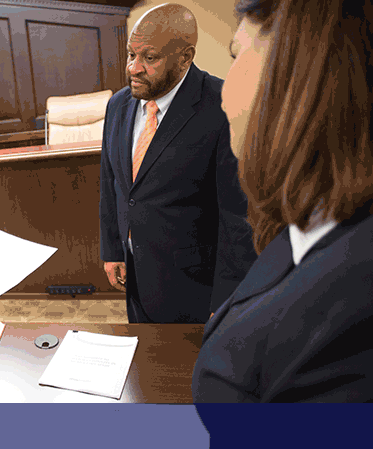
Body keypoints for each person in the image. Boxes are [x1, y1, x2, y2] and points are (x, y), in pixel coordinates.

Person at [192, 0, 373, 402]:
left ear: (299, 61)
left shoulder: (351, 316)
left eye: (235, 55)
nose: (225, 93)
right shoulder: (311, 226)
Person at [99, 3, 257, 323]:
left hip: (195, 290)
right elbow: (111, 183)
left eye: (150, 58)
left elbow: (237, 215)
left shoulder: (222, 103)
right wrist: (113, 250)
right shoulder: (118, 105)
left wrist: (227, 298)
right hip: (136, 280)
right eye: (131, 54)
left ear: (185, 57)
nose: (133, 68)